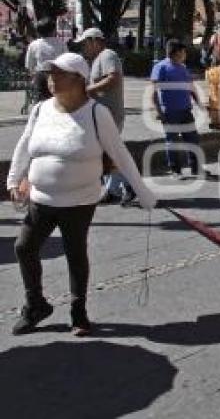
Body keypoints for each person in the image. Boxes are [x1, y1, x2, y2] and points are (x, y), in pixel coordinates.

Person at [7, 52, 156, 336]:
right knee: (24, 247)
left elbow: (119, 154)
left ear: (79, 79)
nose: (51, 80)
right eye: (50, 75)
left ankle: (79, 311)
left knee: (75, 253)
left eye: (59, 74)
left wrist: (143, 193)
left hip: (79, 200)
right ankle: (35, 304)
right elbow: (24, 146)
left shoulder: (96, 113)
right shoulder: (40, 109)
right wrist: (14, 181)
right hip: (41, 198)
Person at [80, 27, 128, 203]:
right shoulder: (99, 58)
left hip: (110, 114)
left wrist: (87, 90)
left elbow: (113, 78)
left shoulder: (108, 55)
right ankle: (114, 188)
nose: (84, 48)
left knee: (109, 152)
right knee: (107, 153)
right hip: (104, 114)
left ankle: (125, 186)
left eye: (85, 43)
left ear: (94, 41)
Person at [151, 40, 201, 178]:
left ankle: (196, 169)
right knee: (172, 142)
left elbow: (191, 88)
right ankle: (175, 170)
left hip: (186, 110)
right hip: (170, 111)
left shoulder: (183, 67)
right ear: (177, 52)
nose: (185, 54)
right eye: (183, 52)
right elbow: (153, 92)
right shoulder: (160, 67)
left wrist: (199, 103)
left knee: (193, 139)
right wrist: (158, 111)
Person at [25, 18, 67, 102]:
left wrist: (33, 77)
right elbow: (66, 61)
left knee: (41, 102)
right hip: (58, 74)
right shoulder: (61, 43)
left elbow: (29, 65)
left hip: (41, 76)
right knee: (58, 100)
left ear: (38, 31)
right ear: (53, 30)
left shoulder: (33, 44)